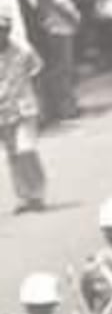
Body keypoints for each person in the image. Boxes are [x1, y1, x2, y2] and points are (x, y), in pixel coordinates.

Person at [0, 11, 47, 213]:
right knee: (13, 156)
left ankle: (37, 193)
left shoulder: (23, 50)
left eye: (3, 30)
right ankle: (24, 197)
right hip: (2, 111)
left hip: (24, 107)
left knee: (26, 149)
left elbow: (37, 73)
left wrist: (42, 104)